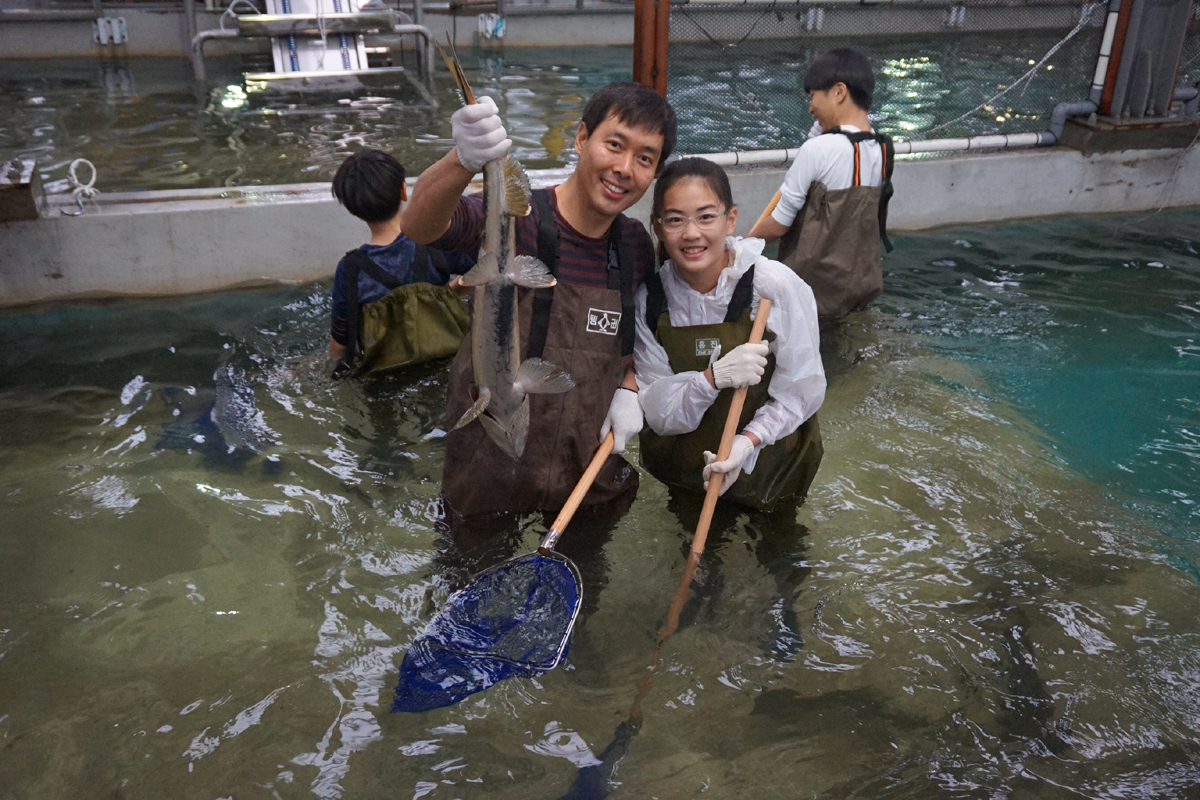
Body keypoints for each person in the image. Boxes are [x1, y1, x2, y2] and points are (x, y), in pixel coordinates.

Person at [401, 83, 677, 518]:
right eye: (614, 145)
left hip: (582, 477)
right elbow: (419, 226)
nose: (624, 168)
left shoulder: (633, 246)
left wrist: (630, 390)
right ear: (582, 138)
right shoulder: (517, 216)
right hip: (489, 466)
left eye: (645, 158)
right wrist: (461, 161)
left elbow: (636, 345)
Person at [636, 157, 825, 512]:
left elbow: (804, 388)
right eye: (675, 220)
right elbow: (658, 412)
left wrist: (747, 442)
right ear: (658, 228)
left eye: (706, 217)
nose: (692, 233)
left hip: (772, 465)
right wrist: (712, 379)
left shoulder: (772, 286)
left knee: (781, 558)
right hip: (689, 470)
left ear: (731, 219)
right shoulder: (651, 300)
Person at [747, 48, 895, 325]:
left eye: (814, 96)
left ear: (839, 92)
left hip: (812, 293)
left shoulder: (817, 149)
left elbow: (780, 224)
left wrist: (742, 246)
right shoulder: (883, 147)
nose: (811, 107)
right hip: (859, 286)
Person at [328, 148, 476, 378]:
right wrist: (449, 292)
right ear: (403, 191)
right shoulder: (436, 244)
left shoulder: (350, 269)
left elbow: (340, 344)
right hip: (447, 365)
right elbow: (482, 273)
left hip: (386, 376)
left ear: (350, 208)